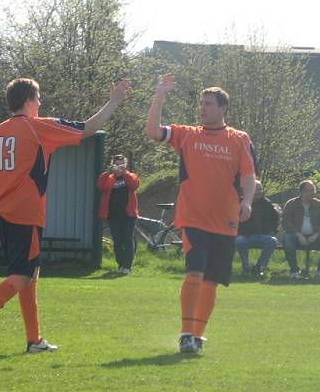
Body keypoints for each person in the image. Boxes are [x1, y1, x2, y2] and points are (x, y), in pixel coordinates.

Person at [0, 77, 130, 356]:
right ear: (28, 101)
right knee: (22, 275)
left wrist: (2, 198)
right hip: (27, 213)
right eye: (38, 99)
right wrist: (113, 102)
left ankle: (34, 339)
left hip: (4, 212)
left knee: (30, 273)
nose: (40, 103)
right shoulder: (37, 127)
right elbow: (87, 129)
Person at [146, 73, 256, 354]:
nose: (202, 108)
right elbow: (153, 131)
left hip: (226, 220)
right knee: (194, 274)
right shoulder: (188, 134)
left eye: (208, 103)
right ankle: (185, 333)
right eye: (201, 103)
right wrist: (160, 94)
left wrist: (248, 202)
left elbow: (248, 176)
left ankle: (196, 335)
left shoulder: (239, 139)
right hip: (193, 218)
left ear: (222, 108)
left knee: (212, 281)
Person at [282, 180, 320, 280]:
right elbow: (286, 222)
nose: (311, 193)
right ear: (302, 192)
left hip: (315, 237)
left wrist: (316, 234)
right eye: (308, 191)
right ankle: (294, 271)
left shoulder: (319, 205)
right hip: (297, 238)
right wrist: (298, 235)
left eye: (313, 190)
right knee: (287, 239)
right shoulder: (291, 204)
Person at [97, 154, 140, 274]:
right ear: (113, 164)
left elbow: (134, 185)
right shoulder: (109, 177)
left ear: (125, 165)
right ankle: (120, 264)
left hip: (128, 214)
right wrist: (108, 172)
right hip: (113, 214)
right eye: (116, 164)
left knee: (128, 238)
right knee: (117, 240)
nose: (118, 167)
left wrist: (125, 173)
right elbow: (100, 186)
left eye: (121, 164)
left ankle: (127, 266)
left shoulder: (131, 176)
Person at [234, 179, 279, 278]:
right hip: (245, 236)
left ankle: (259, 267)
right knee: (239, 241)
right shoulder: (241, 203)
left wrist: (272, 231)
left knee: (273, 241)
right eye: (256, 189)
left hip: (263, 236)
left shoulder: (267, 204)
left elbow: (274, 219)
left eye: (260, 189)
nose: (259, 192)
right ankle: (246, 266)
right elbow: (234, 220)